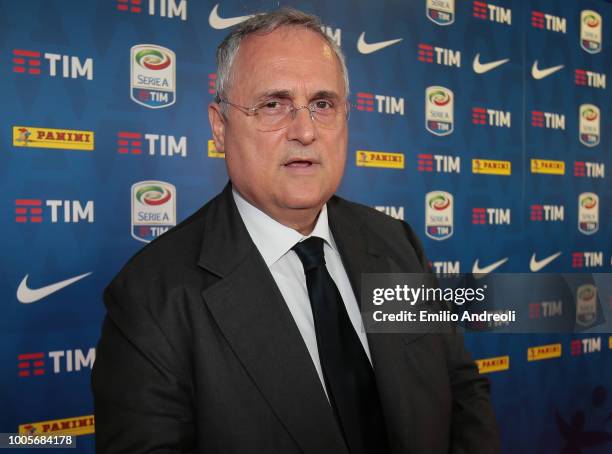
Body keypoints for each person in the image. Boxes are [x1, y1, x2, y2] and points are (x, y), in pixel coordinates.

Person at [92, 8, 500, 454]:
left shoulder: (395, 241)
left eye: (323, 104)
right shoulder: (152, 299)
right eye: (273, 104)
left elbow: (461, 389)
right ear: (219, 128)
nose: (304, 130)